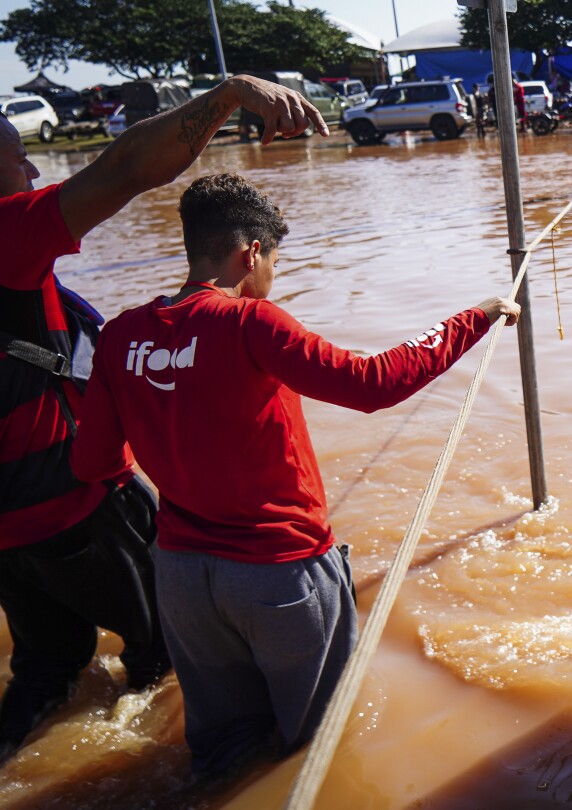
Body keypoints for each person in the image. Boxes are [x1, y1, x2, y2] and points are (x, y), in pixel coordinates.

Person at [70, 173, 521, 776]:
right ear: (250, 252)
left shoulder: (122, 335)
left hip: (181, 579)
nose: (271, 278)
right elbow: (374, 383)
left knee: (224, 754)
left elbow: (94, 464)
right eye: (273, 262)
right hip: (279, 573)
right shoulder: (252, 323)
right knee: (319, 753)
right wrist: (479, 315)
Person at [0, 74, 325, 761]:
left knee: (45, 668)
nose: (32, 169)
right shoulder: (7, 235)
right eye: (17, 157)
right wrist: (229, 94)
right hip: (69, 503)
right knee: (166, 656)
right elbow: (121, 169)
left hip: (7, 536)